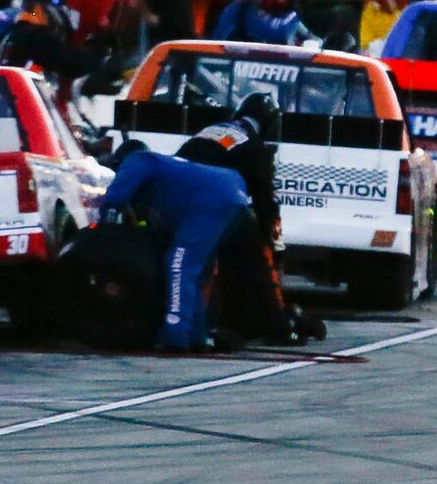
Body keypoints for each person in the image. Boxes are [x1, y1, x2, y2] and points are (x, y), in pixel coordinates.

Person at [96, 141, 302, 350]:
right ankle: (196, 336)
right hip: (231, 194)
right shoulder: (169, 173)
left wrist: (104, 233)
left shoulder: (139, 159)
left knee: (179, 265)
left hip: (213, 200)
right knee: (196, 272)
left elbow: (114, 198)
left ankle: (175, 336)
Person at [176, 89, 281, 238]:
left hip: (174, 192)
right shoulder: (257, 148)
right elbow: (267, 202)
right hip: (207, 208)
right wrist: (277, 248)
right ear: (271, 125)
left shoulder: (211, 129)